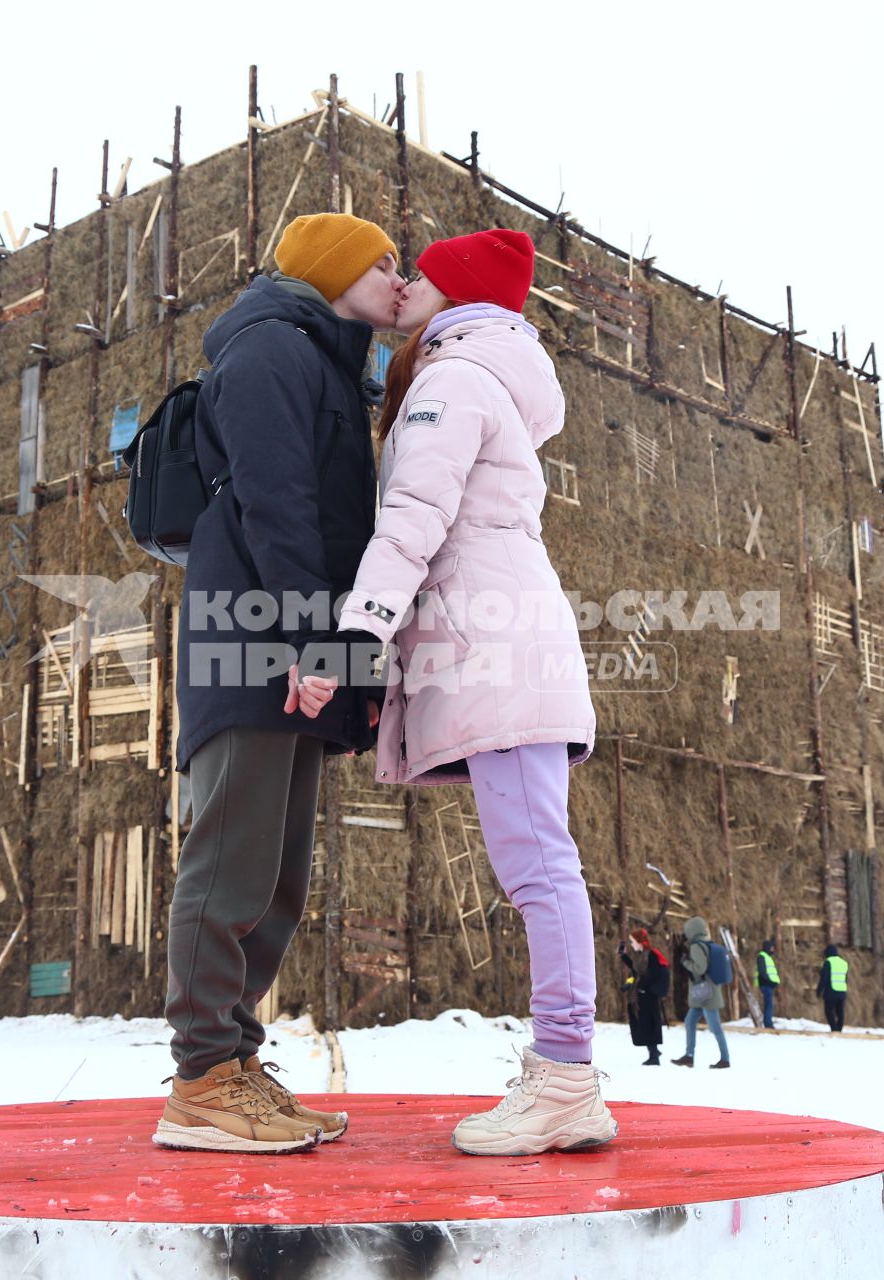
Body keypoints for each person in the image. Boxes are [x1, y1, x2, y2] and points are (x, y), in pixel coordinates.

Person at [310, 227, 610, 1156]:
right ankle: (564, 1075)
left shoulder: (453, 381)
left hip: (497, 648)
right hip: (502, 637)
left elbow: (411, 522)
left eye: (422, 276)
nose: (404, 288)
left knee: (537, 865)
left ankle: (565, 1080)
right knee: (538, 862)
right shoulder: (479, 373)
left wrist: (355, 636)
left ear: (457, 295)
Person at [157, 212, 401, 1156]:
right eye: (381, 261)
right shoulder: (267, 350)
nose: (397, 274)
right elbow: (276, 504)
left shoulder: (330, 365)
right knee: (230, 860)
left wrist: (352, 664)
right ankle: (202, 1076)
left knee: (277, 875)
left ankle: (234, 1060)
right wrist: (307, 639)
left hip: (294, 647)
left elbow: (344, 537)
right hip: (252, 639)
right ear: (334, 272)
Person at [671, 917, 731, 1069]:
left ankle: (725, 1059)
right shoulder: (707, 944)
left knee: (715, 1026)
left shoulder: (696, 947)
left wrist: (685, 962)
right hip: (705, 992)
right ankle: (689, 1056)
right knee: (690, 1021)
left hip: (706, 993)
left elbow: (700, 968)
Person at [619, 928, 670, 1066]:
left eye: (633, 941)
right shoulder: (642, 955)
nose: (632, 944)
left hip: (649, 995)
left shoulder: (651, 955)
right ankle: (653, 1053)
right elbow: (637, 970)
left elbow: (651, 974)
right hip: (643, 994)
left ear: (640, 941)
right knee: (645, 1024)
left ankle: (654, 1054)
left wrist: (642, 987)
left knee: (649, 1024)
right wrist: (624, 956)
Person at [818, 945, 849, 1032]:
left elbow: (824, 978)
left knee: (829, 1011)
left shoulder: (828, 962)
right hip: (842, 991)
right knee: (840, 1011)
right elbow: (846, 978)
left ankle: (834, 1028)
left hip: (831, 991)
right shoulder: (844, 963)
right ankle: (839, 1028)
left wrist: (819, 991)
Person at [757, 939, 782, 1029]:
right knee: (768, 1004)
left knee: (769, 1004)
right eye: (771, 948)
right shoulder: (762, 956)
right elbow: (763, 972)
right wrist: (770, 981)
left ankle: (768, 1022)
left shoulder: (767, 957)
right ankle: (768, 1023)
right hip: (766, 984)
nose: (773, 950)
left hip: (769, 984)